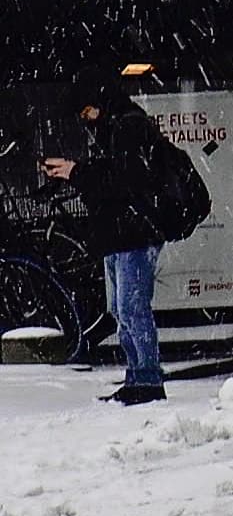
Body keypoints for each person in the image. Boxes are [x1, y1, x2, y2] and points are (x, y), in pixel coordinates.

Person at [40, 75, 207, 406]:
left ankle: (146, 379)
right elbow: (121, 177)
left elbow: (124, 180)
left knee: (130, 308)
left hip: (133, 233)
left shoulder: (126, 127)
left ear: (98, 105)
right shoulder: (119, 126)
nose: (85, 118)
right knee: (122, 309)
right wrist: (79, 172)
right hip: (122, 234)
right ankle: (139, 376)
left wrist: (77, 172)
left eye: (87, 111)